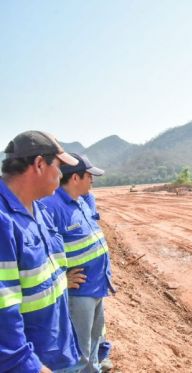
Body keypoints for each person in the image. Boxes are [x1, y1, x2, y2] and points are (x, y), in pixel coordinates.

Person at [0, 130, 82, 373]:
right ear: (38, 164)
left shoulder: (40, 210)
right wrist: (29, 366)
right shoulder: (4, 222)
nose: (60, 173)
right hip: (34, 364)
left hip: (59, 351)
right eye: (58, 166)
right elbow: (3, 311)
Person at [42, 154, 113, 373]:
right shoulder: (51, 206)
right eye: (89, 176)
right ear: (75, 178)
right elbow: (40, 251)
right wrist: (61, 278)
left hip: (96, 286)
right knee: (78, 351)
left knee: (93, 341)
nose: (92, 180)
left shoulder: (82, 201)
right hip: (78, 293)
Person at [81, 192, 113, 373]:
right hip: (81, 286)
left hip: (94, 281)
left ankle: (100, 355)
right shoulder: (55, 205)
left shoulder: (85, 199)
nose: (91, 180)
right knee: (83, 337)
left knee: (96, 329)